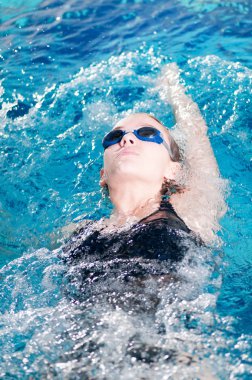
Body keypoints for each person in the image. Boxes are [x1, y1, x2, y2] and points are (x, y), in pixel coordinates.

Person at [61, 63, 226, 310]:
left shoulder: (190, 211)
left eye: (147, 134)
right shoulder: (77, 232)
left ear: (173, 169)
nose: (127, 139)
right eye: (114, 137)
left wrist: (173, 90)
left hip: (164, 341)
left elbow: (196, 137)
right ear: (103, 175)